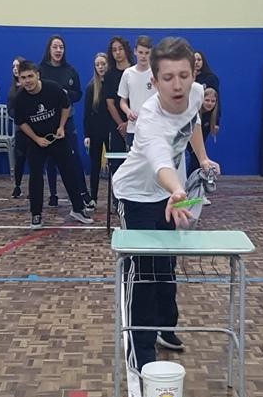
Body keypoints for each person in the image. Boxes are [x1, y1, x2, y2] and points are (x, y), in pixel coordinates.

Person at [112, 36, 220, 372]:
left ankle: (164, 326)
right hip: (136, 196)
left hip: (169, 196)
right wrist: (176, 189)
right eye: (168, 78)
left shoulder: (197, 93)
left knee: (166, 266)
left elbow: (193, 123)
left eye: (184, 75)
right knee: (144, 272)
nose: (177, 85)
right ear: (155, 81)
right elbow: (160, 161)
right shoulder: (149, 118)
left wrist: (202, 157)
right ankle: (140, 352)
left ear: (193, 75)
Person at [13, 61, 94, 228]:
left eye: (30, 76)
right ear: (19, 79)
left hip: (57, 139)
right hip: (36, 141)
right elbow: (21, 123)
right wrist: (36, 139)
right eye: (23, 77)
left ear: (37, 75)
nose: (27, 81)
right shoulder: (19, 99)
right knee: (35, 176)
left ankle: (78, 209)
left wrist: (61, 127)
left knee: (69, 172)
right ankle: (36, 214)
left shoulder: (53, 88)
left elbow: (66, 106)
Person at [39, 35, 93, 209]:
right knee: (50, 159)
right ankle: (53, 194)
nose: (58, 50)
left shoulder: (70, 70)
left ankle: (83, 193)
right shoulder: (41, 69)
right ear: (49, 49)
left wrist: (66, 93)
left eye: (61, 47)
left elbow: (78, 94)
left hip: (67, 119)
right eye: (55, 47)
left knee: (74, 157)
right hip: (47, 120)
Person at [118, 35, 155, 150]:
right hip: (133, 129)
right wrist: (128, 111)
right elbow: (122, 101)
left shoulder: (156, 73)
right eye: (141, 52)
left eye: (147, 53)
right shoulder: (128, 73)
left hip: (154, 129)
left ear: (151, 53)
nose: (143, 56)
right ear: (135, 52)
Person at [83, 52, 110, 206]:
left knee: (115, 166)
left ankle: (117, 199)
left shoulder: (114, 85)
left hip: (111, 131)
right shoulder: (91, 87)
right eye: (97, 64)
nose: (100, 67)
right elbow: (87, 113)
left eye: (103, 64)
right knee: (95, 165)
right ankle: (93, 197)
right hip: (95, 132)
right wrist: (87, 135)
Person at [104, 36, 133, 175]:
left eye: (120, 49)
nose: (118, 52)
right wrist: (121, 124)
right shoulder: (109, 75)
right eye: (114, 50)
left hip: (136, 121)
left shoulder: (135, 70)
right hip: (117, 125)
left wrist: (129, 123)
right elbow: (110, 103)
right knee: (117, 163)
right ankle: (117, 189)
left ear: (126, 50)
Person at [7, 55, 28, 198]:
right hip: (20, 129)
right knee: (19, 158)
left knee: (35, 160)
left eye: (18, 66)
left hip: (34, 129)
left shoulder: (30, 86)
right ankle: (17, 186)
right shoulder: (12, 90)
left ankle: (34, 187)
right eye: (13, 67)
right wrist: (19, 118)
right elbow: (10, 109)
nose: (15, 69)